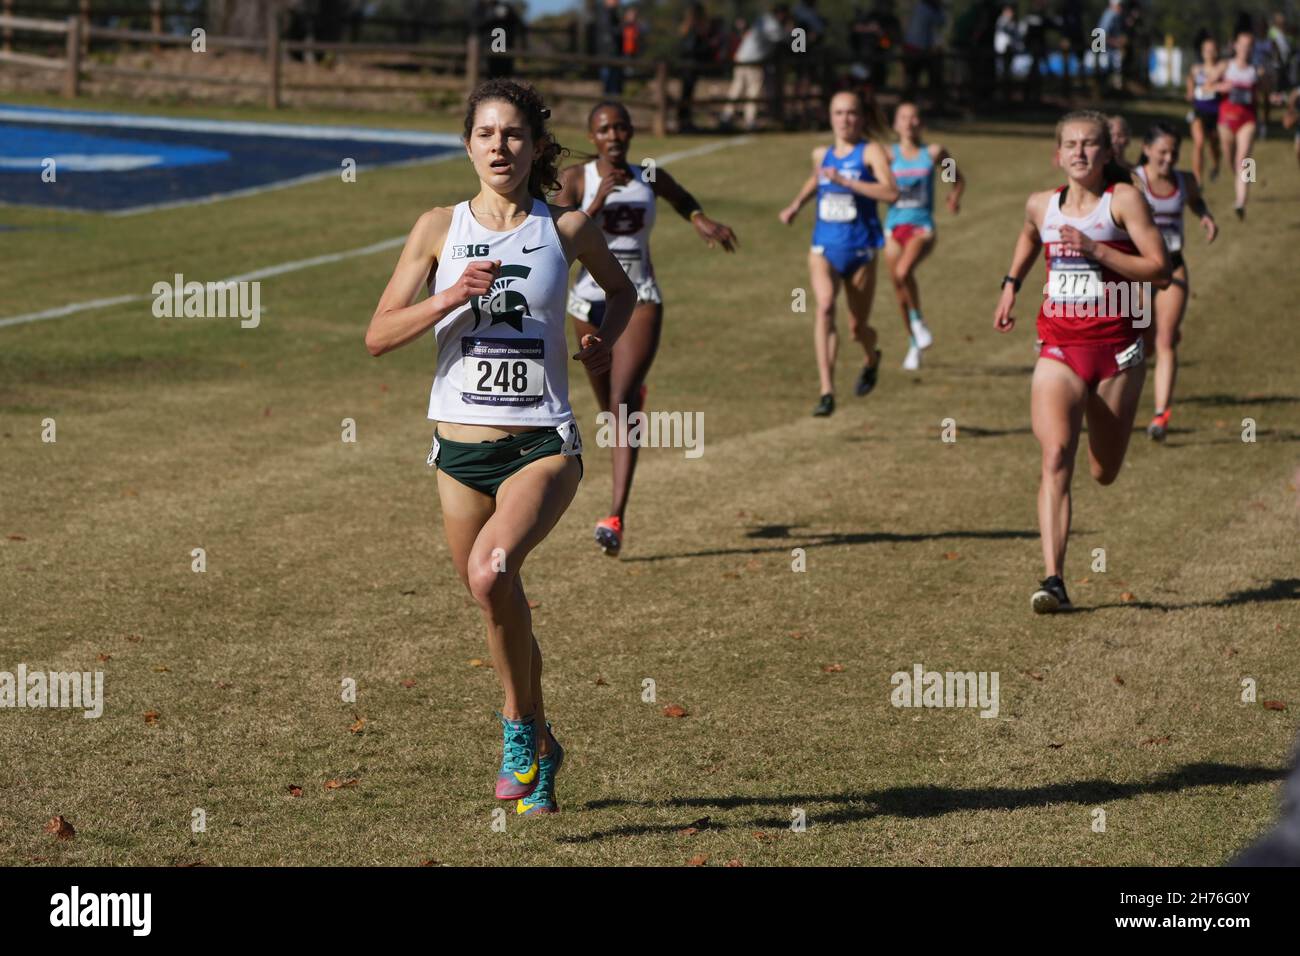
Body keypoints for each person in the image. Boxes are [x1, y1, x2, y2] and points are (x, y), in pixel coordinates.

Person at [365, 80, 636, 815]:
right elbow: (378, 336)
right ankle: (545, 746)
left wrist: (597, 340)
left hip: (541, 444)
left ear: (536, 147)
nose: (500, 147)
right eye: (486, 134)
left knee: (492, 574)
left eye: (513, 135)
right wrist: (449, 295)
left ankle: (517, 732)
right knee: (499, 602)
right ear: (467, 144)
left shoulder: (567, 229)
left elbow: (622, 293)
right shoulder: (437, 229)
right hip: (457, 453)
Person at [992, 110, 1170, 613]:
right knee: (1055, 458)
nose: (1079, 152)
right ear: (1057, 153)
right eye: (1070, 144)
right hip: (1059, 349)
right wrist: (1011, 285)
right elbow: (1031, 233)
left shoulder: (1124, 202)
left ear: (1107, 153)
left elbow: (1160, 269)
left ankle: (1103, 440)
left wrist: (1096, 249)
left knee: (1103, 470)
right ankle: (1054, 580)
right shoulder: (1041, 205)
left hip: (1117, 354)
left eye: (1089, 144)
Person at [557, 102, 737, 556]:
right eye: (604, 129)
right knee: (611, 413)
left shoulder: (649, 175)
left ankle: (614, 515)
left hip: (640, 297)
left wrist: (701, 221)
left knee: (619, 404)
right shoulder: (577, 179)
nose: (614, 135)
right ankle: (629, 400)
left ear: (632, 132)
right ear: (592, 136)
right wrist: (596, 202)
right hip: (587, 302)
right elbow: (556, 238)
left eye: (621, 127)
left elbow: (682, 199)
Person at [779, 89, 899, 416]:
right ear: (830, 117)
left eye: (851, 113)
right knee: (825, 306)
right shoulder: (822, 154)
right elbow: (817, 179)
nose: (845, 119)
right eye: (839, 113)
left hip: (861, 249)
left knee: (857, 328)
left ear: (861, 118)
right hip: (824, 247)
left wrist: (849, 183)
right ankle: (826, 391)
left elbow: (891, 193)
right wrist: (795, 206)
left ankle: (872, 356)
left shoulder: (870, 152)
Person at [1133, 122, 1217, 441]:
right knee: (1141, 341)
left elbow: (1195, 200)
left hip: (1173, 266)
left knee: (1165, 339)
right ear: (1146, 149)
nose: (1169, 159)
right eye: (1162, 152)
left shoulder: (1185, 180)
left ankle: (1160, 416)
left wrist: (1205, 216)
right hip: (1138, 270)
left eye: (1174, 152)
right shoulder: (1133, 180)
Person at [883, 101, 964, 370]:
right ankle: (913, 342)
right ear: (895, 124)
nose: (908, 122)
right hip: (893, 227)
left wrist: (954, 195)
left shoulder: (933, 153)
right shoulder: (887, 155)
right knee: (898, 287)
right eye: (903, 117)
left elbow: (956, 176)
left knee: (904, 271)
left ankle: (918, 322)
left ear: (921, 122)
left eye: (914, 117)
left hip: (921, 227)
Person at [719, 5, 791, 131]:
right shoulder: (771, 24)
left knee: (737, 88)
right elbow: (785, 38)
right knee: (752, 91)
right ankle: (749, 120)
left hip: (741, 58)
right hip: (752, 61)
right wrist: (796, 32)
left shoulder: (764, 20)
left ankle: (727, 116)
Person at [1216, 30, 1260, 219]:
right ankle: (1242, 179)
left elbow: (1265, 93)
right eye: (1242, 45)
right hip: (1226, 121)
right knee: (1232, 162)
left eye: (1249, 46)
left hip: (1247, 120)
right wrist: (1221, 87)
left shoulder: (1255, 70)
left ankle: (1242, 199)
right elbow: (1205, 86)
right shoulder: (1226, 66)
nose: (1245, 49)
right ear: (1234, 45)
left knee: (1245, 159)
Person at [1186, 31, 1225, 185]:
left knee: (1214, 144)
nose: (1210, 53)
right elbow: (1190, 80)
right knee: (1199, 142)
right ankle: (1197, 179)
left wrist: (1213, 86)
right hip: (1199, 111)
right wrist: (1190, 91)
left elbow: (1220, 80)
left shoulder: (1221, 67)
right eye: (1207, 50)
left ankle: (1216, 165)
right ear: (1202, 52)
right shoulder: (1196, 69)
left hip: (1216, 112)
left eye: (1212, 50)